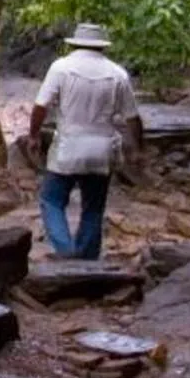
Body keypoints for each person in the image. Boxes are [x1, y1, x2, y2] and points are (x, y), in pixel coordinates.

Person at [26, 22, 144, 260]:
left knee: (52, 200)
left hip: (69, 145)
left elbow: (41, 106)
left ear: (75, 43)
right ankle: (87, 259)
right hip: (102, 148)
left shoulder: (61, 68)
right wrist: (138, 148)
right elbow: (133, 117)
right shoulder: (117, 73)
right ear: (102, 46)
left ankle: (66, 250)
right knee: (93, 207)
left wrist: (34, 134)